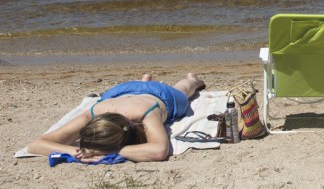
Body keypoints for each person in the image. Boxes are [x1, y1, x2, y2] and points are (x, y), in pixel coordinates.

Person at [27, 72, 205, 162]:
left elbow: (159, 151)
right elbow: (35, 145)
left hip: (159, 96)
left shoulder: (144, 115)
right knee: (165, 88)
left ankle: (192, 79)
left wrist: (110, 152)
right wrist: (75, 151)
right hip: (119, 93)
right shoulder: (94, 113)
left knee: (183, 90)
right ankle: (144, 81)